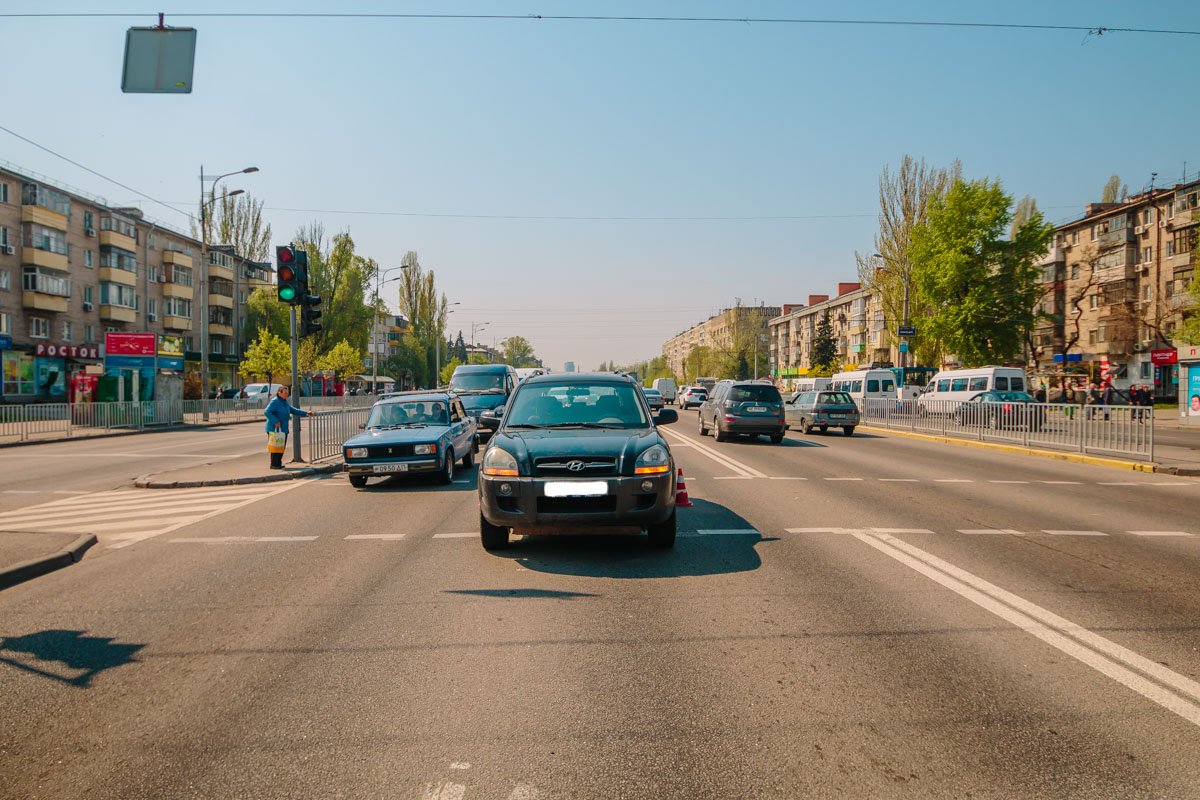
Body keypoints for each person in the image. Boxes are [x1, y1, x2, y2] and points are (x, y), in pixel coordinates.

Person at [264, 386, 309, 469]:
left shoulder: (284, 401)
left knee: (281, 446)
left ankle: (278, 464)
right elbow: (267, 411)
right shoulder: (275, 401)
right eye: (285, 393)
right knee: (276, 447)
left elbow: (293, 410)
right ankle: (274, 464)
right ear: (279, 393)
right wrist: (275, 421)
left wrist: (305, 413)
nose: (286, 394)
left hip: (283, 428)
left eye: (287, 393)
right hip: (274, 428)